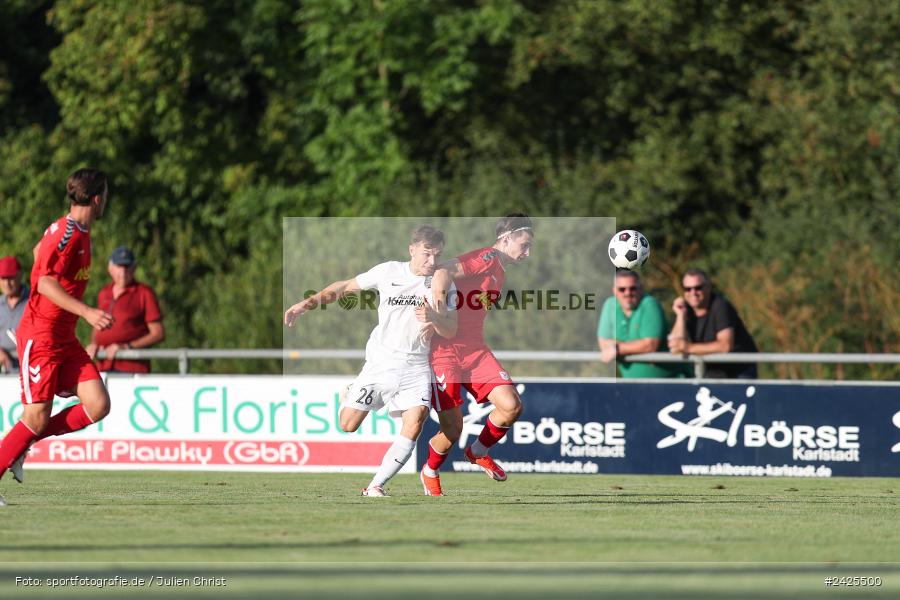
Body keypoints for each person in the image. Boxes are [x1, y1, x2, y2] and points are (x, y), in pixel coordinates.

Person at [283, 225, 456, 497]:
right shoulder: (389, 272)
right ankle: (352, 391)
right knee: (348, 425)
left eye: (437, 255)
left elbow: (451, 330)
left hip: (417, 364)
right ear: (411, 250)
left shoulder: (442, 283)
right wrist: (307, 304)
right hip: (382, 362)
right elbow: (344, 287)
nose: (432, 261)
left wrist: (434, 317)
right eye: (426, 254)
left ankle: (375, 485)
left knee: (417, 419)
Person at [0, 168, 114, 505]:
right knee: (35, 417)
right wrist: (87, 311)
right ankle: (14, 450)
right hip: (41, 337)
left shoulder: (77, 231)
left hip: (64, 339)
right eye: (106, 194)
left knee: (98, 404)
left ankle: (22, 445)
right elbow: (44, 282)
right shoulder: (68, 233)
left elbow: (38, 252)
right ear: (97, 199)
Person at [420, 214, 533, 497]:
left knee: (511, 406)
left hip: (475, 350)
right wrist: (438, 312)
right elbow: (442, 272)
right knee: (453, 430)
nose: (527, 252)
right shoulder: (487, 258)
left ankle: (478, 451)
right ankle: (430, 470)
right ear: (506, 239)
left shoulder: (500, 270)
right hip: (445, 352)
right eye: (524, 245)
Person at [85, 246, 164, 373]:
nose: (123, 272)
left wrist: (126, 346)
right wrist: (94, 344)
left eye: (126, 267)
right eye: (119, 266)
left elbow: (157, 333)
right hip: (103, 367)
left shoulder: (144, 293)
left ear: (134, 268)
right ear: (110, 268)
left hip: (131, 370)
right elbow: (97, 325)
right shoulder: (104, 293)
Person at [668, 268, 758, 379]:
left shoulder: (720, 306)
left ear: (708, 287)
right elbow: (675, 347)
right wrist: (680, 315)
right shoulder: (686, 309)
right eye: (687, 289)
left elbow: (725, 346)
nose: (693, 293)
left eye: (698, 288)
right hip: (712, 371)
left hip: (739, 371)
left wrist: (688, 348)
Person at [598, 269, 686, 378]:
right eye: (622, 289)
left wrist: (617, 349)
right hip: (632, 385)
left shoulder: (650, 304)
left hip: (671, 383)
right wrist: (637, 346)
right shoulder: (610, 305)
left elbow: (650, 345)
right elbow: (604, 344)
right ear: (614, 291)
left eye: (632, 288)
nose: (627, 293)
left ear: (641, 288)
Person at [0, 256, 29, 373]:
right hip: (4, 371)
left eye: (10, 278)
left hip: (30, 368)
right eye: (3, 278)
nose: (7, 283)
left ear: (20, 275)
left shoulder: (33, 302)